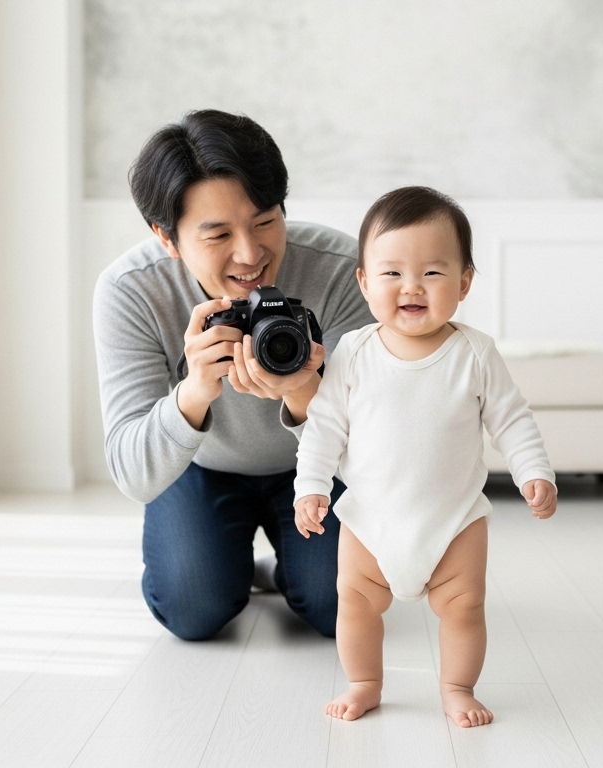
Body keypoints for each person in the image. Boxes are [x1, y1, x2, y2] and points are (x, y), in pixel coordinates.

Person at [93, 110, 374, 641]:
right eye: (218, 234)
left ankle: (282, 571)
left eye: (266, 221)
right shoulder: (131, 291)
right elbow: (133, 472)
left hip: (314, 470)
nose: (251, 254)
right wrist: (194, 391)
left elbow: (377, 445)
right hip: (200, 467)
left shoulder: (341, 270)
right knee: (193, 610)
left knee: (339, 608)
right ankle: (234, 568)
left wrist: (305, 393)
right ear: (167, 237)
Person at [292, 186, 558, 727]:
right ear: (364, 282)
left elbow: (511, 418)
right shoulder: (354, 353)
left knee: (464, 608)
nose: (411, 286)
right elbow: (323, 427)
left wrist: (535, 472)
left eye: (433, 273)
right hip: (370, 519)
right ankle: (365, 682)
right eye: (391, 273)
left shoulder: (475, 353)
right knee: (355, 603)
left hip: (454, 520)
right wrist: (311, 487)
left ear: (464, 282)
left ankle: (458, 688)